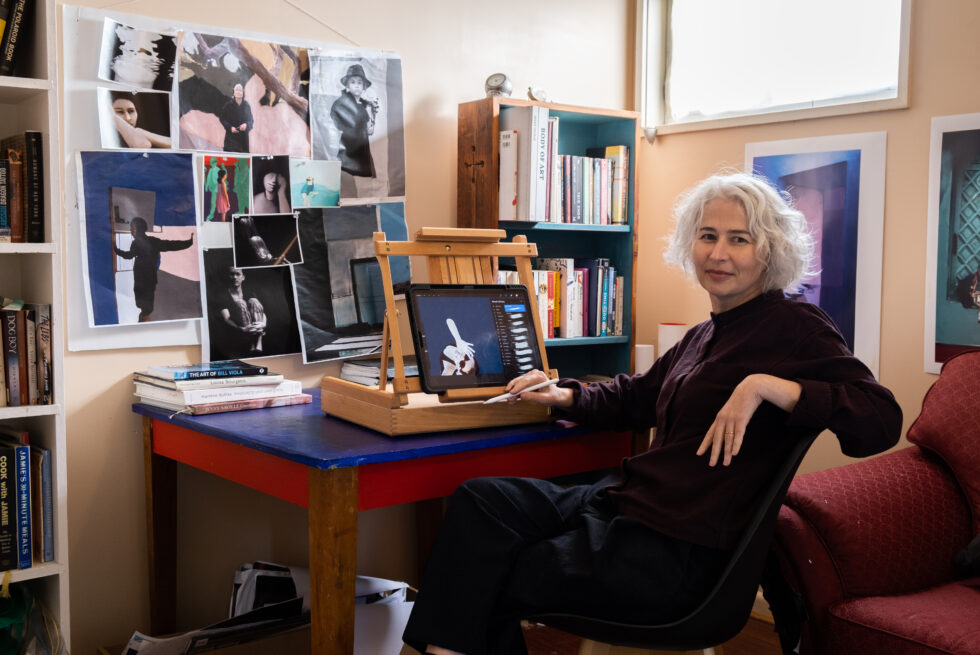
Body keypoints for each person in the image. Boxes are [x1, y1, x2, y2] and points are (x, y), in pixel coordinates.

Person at [402, 172, 903, 655]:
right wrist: (564, 394)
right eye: (708, 235)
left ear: (769, 250)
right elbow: (637, 395)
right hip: (627, 510)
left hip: (673, 554)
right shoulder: (705, 333)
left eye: (739, 239)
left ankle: (448, 649)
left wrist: (766, 386)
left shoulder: (797, 327)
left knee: (490, 566)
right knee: (481, 501)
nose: (719, 253)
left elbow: (879, 418)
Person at [113, 216, 194, 322]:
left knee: (144, 303)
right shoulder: (149, 241)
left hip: (143, 278)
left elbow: (128, 255)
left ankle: (144, 319)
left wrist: (116, 250)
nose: (131, 231)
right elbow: (171, 245)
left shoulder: (139, 242)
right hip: (145, 278)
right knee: (144, 303)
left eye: (132, 228)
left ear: (138, 228)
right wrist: (188, 243)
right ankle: (144, 318)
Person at [330, 63, 377, 178]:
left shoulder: (364, 105)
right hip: (348, 153)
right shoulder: (340, 103)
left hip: (362, 151)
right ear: (347, 85)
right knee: (347, 181)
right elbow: (338, 126)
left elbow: (369, 131)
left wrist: (371, 111)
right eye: (353, 82)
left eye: (359, 82)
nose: (356, 85)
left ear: (364, 86)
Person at [215, 266, 266, 355]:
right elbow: (227, 319)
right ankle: (251, 343)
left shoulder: (250, 291)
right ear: (228, 276)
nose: (235, 277)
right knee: (240, 303)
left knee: (254, 301)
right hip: (239, 328)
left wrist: (263, 324)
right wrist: (242, 329)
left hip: (255, 328)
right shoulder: (222, 295)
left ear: (243, 277)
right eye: (232, 274)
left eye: (238, 274)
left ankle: (258, 340)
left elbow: (262, 312)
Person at [219, 83, 253, 153]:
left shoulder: (246, 106)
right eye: (237, 90)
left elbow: (251, 121)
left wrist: (246, 125)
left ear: (243, 93)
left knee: (243, 162)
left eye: (240, 90)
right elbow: (222, 119)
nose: (238, 92)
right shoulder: (228, 106)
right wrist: (230, 127)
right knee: (230, 162)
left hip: (243, 141)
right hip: (230, 141)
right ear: (234, 93)